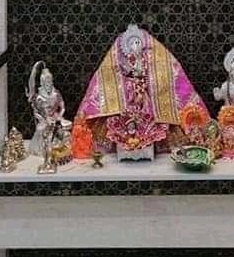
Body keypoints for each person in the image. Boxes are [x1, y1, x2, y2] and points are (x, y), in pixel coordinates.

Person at [76, 24, 207, 157]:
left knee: (149, 116)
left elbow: (161, 72)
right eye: (133, 43)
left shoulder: (145, 59)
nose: (136, 46)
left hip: (144, 94)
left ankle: (149, 143)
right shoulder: (125, 60)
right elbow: (113, 73)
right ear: (127, 47)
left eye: (138, 43)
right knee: (126, 119)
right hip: (129, 95)